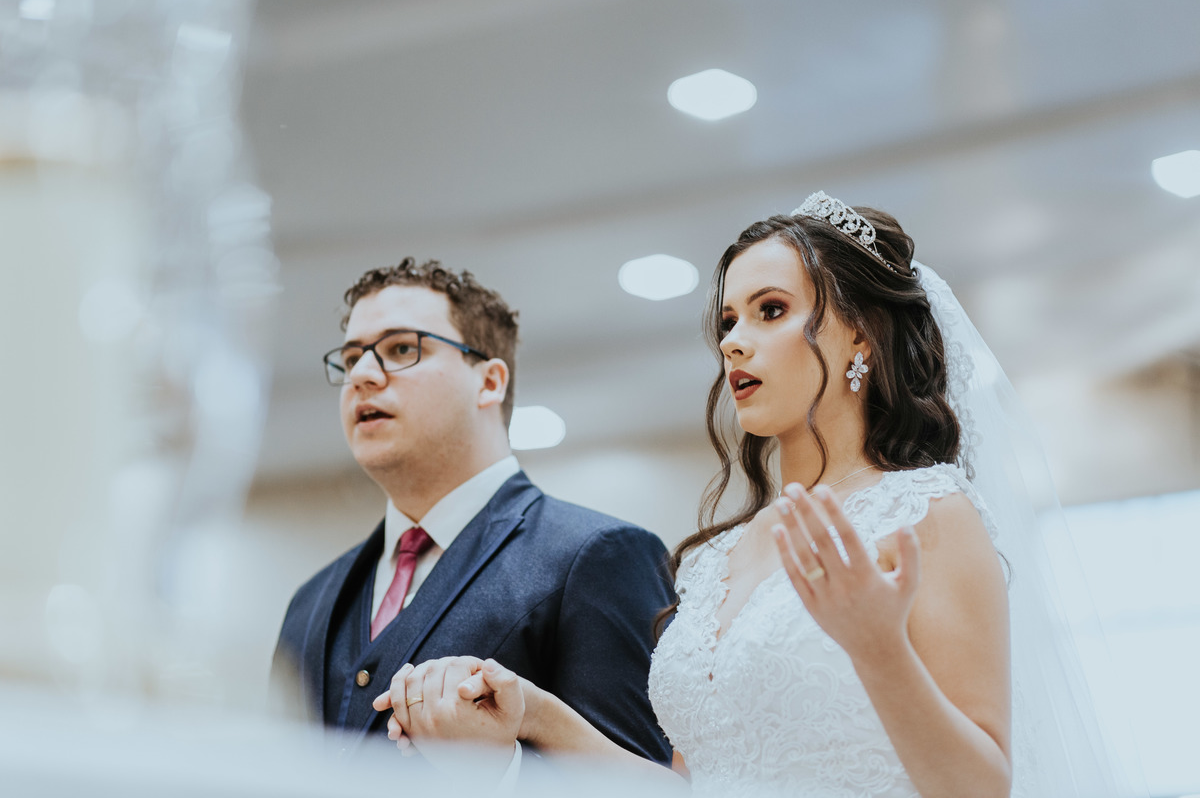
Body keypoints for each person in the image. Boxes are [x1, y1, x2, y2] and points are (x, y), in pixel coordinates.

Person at [375, 195, 1136, 797]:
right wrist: (536, 715)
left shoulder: (930, 514)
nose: (733, 341)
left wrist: (878, 647)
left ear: (861, 335)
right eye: (728, 320)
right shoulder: (718, 558)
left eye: (771, 310)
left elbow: (982, 788)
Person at [270, 258, 674, 772]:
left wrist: (500, 773)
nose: (363, 376)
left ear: (489, 382)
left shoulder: (599, 556)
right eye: (352, 359)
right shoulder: (309, 602)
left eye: (401, 349)